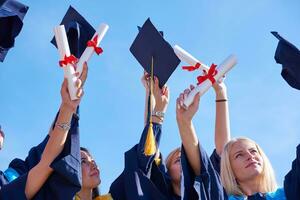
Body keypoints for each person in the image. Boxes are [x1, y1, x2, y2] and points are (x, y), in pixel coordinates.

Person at [0, 64, 87, 200]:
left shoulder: (15, 172)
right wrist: (67, 107)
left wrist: (69, 103)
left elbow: (49, 146)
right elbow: (47, 163)